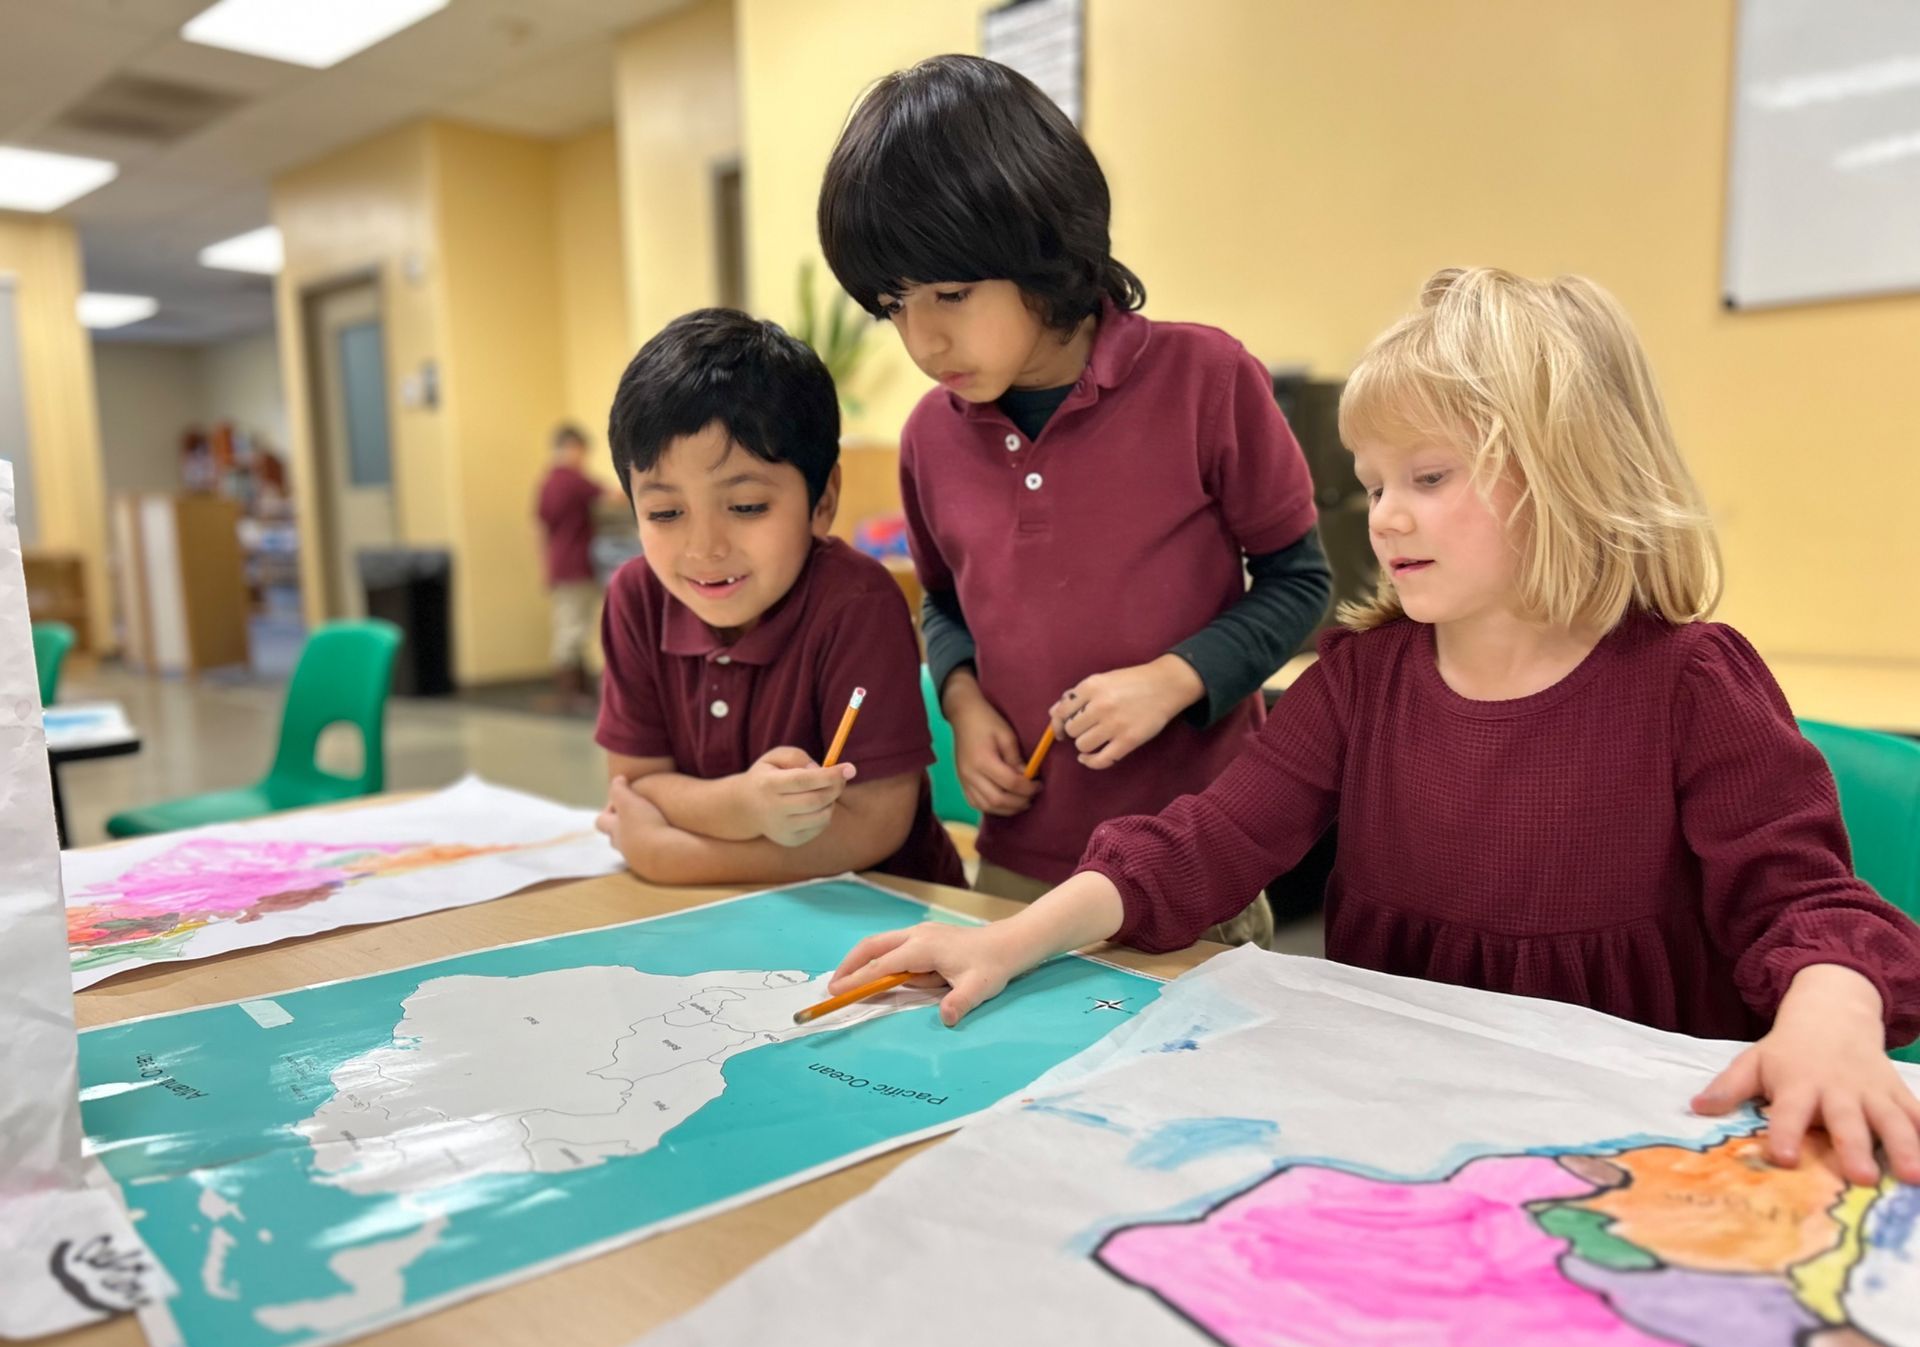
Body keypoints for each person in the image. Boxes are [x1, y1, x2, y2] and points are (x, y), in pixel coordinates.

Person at [831, 267, 1920, 1187]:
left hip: (1630, 1157)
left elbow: (1808, 908)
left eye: (1430, 477)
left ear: (1571, 472)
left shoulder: (1691, 685)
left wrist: (1830, 1020)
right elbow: (1204, 844)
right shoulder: (1362, 682)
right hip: (1411, 1139)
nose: (1386, 516)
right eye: (1372, 482)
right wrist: (1007, 940)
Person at [817, 55, 1331, 945]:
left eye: (951, 294)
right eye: (893, 305)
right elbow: (943, 603)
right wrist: (964, 703)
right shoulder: (929, 437)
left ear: (1044, 248)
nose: (923, 338)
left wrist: (1173, 681)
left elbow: (1300, 582)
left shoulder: (1206, 379)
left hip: (1191, 856)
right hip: (1020, 858)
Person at [592, 308, 965, 889]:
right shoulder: (635, 599)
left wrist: (671, 855)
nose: (705, 548)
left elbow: (875, 825)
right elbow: (633, 784)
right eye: (664, 512)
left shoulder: (857, 603)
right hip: (712, 922)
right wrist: (742, 805)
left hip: (882, 914)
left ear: (823, 501)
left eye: (746, 507)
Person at [535, 423, 608, 713]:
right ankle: (571, 693)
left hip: (559, 564)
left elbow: (540, 527)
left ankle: (577, 690)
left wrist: (545, 566)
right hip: (577, 564)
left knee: (570, 625)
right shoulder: (573, 481)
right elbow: (614, 496)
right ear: (572, 448)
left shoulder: (547, 483)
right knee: (573, 629)